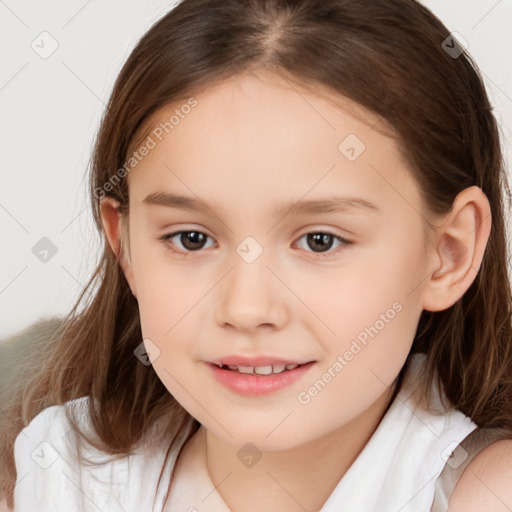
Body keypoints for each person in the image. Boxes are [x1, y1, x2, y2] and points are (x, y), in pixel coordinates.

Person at [1, 0, 512, 510]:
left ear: (449, 252)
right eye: (191, 239)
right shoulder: (57, 474)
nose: (246, 309)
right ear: (124, 244)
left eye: (320, 241)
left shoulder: (485, 492)